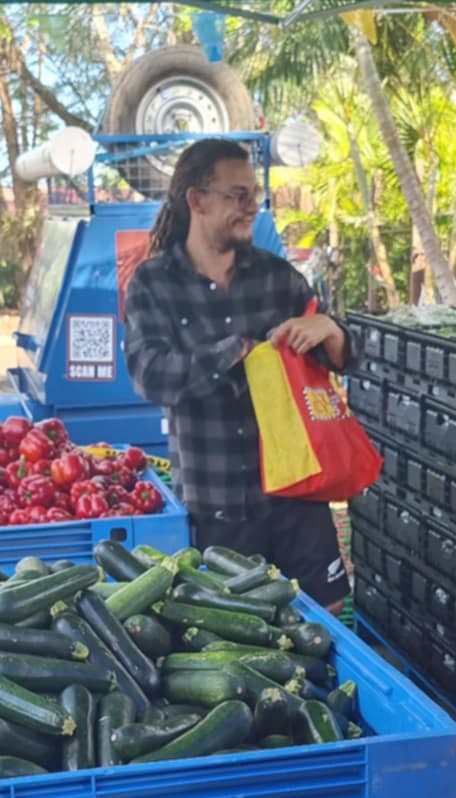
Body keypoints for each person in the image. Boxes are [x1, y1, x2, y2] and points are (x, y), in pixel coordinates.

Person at [123, 139, 352, 609]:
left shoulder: (278, 277)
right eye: (238, 195)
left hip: (298, 493)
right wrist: (233, 350)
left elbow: (343, 357)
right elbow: (149, 375)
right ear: (197, 200)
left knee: (325, 620)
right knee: (238, 630)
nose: (252, 207)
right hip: (218, 504)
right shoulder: (154, 283)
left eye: (255, 194)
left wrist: (331, 330)